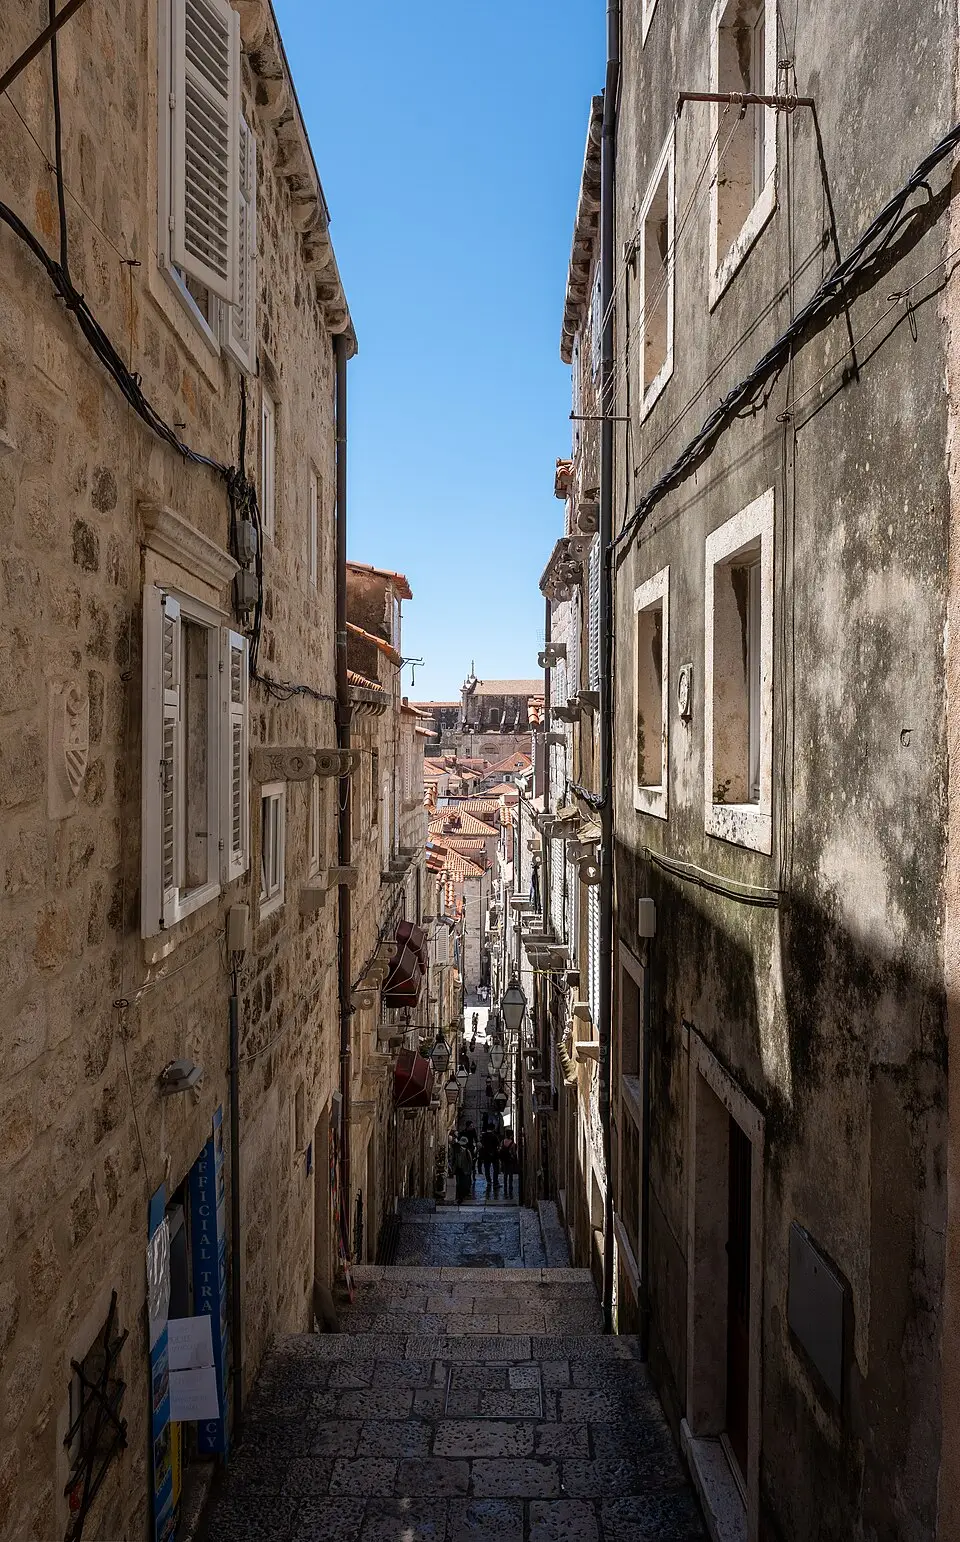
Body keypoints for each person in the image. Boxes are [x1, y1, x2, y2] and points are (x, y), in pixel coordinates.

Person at [479, 1121, 500, 1191]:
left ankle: (489, 1181)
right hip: (494, 1155)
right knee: (495, 1169)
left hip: (486, 1154)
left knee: (487, 1169)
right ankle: (495, 1182)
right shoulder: (494, 1136)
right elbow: (498, 1144)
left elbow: (482, 1145)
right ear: (493, 1128)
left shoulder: (484, 1136)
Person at [452, 1137, 473, 1203]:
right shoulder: (456, 1152)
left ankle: (462, 1196)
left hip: (464, 1170)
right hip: (458, 1169)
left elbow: (470, 1161)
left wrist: (469, 1170)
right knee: (459, 1183)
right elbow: (454, 1161)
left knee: (463, 1183)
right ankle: (460, 1197)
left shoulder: (466, 1151)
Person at [499, 1131, 518, 1199]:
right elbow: (514, 1153)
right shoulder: (513, 1144)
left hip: (504, 1160)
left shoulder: (502, 1141)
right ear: (511, 1135)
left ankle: (505, 1187)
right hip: (510, 1160)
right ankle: (510, 1188)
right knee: (510, 1175)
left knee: (505, 1174)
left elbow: (500, 1150)